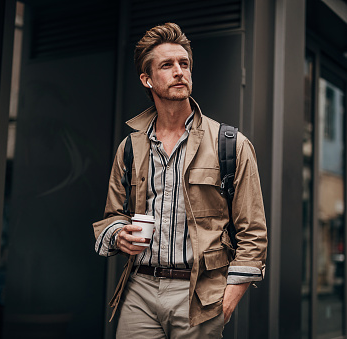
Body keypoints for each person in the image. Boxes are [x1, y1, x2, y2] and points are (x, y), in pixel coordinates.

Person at [93, 22, 267, 338]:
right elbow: (112, 216)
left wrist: (229, 297)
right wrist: (119, 235)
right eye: (167, 65)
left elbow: (253, 230)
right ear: (146, 79)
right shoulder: (131, 147)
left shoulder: (230, 144)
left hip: (200, 294)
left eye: (184, 63)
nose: (179, 71)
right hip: (140, 289)